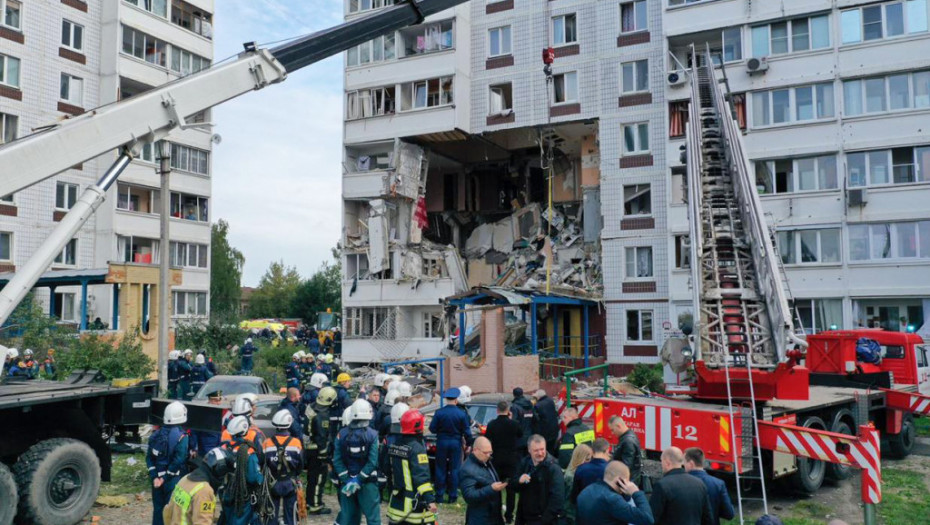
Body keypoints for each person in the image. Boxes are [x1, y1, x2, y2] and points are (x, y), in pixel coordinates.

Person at [386, 409, 438, 525]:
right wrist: (430, 499)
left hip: (396, 503)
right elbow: (421, 476)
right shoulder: (417, 448)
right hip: (413, 508)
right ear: (418, 426)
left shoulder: (394, 445)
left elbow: (386, 468)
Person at [333, 399, 381, 525]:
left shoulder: (341, 434)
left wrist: (347, 479)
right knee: (373, 518)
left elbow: (337, 460)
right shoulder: (373, 435)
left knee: (348, 518)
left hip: (346, 484)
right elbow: (372, 462)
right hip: (368, 483)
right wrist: (359, 479)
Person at [162, 447, 233, 525]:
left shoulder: (185, 479)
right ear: (220, 470)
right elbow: (203, 522)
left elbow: (168, 512)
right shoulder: (204, 491)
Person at [147, 401, 190, 525]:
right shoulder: (182, 437)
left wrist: (155, 476)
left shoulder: (155, 435)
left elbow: (149, 458)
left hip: (156, 480)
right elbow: (179, 460)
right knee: (172, 512)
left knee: (158, 510)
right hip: (172, 479)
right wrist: (165, 478)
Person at [428, 387, 473, 503]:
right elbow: (467, 431)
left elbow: (432, 429)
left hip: (442, 442)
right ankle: (452, 496)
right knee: (454, 469)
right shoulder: (461, 414)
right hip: (456, 442)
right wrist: (468, 443)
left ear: (446, 399)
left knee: (440, 469)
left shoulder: (439, 412)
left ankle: (439, 496)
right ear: (456, 399)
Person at [576, 461, 654, 525]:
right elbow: (647, 518)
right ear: (620, 480)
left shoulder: (586, 490)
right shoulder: (612, 499)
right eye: (627, 480)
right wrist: (636, 492)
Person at [649, 447, 713, 525]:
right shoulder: (699, 484)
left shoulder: (662, 485)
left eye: (661, 461)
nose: (661, 465)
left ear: (667, 463)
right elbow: (708, 518)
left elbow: (652, 518)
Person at [262, 410, 305, 525]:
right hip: (290, 483)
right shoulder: (296, 443)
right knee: (291, 516)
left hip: (272, 483)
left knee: (271, 514)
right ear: (289, 424)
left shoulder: (267, 443)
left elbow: (263, 463)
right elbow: (301, 464)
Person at [510, 434, 563, 525]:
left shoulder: (553, 468)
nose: (540, 453)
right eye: (536, 450)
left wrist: (544, 520)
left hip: (543, 519)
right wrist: (519, 481)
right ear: (529, 450)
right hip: (525, 517)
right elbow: (512, 485)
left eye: (542, 449)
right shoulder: (524, 463)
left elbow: (557, 498)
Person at [221, 416, 264, 525]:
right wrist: (262, 478)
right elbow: (252, 478)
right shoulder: (248, 450)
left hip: (226, 492)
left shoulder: (224, 447)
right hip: (242, 496)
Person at [484, 401, 522, 523]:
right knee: (510, 490)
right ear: (508, 410)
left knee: (496, 488)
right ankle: (509, 516)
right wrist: (511, 419)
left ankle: (497, 514)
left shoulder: (491, 425)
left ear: (497, 410)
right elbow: (520, 434)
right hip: (511, 460)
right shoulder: (514, 424)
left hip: (496, 460)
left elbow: (487, 439)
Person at [460, 436, 507, 525]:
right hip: (480, 518)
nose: (489, 455)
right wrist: (491, 488)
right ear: (476, 450)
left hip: (494, 515)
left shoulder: (486, 461)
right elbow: (469, 496)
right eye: (486, 453)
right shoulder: (467, 469)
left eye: (490, 452)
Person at [305, 386, 337, 515]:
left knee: (311, 477)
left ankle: (309, 501)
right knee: (318, 478)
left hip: (309, 447)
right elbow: (322, 437)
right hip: (317, 450)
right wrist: (324, 456)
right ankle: (315, 505)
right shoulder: (323, 415)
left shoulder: (312, 406)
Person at [685, 448, 735, 525]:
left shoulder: (679, 483)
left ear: (691, 464)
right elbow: (729, 514)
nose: (683, 465)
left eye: (685, 462)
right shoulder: (718, 484)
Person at [570, 437, 611, 504]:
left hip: (584, 507)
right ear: (607, 451)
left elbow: (575, 494)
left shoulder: (581, 469)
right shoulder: (611, 469)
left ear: (592, 451)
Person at [609, 415, 644, 486]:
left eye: (612, 430)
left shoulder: (628, 441)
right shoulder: (628, 437)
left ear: (619, 426)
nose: (612, 433)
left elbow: (626, 466)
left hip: (628, 482)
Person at [563, 444, 593, 525]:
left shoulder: (571, 472)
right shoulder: (571, 476)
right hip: (572, 514)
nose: (589, 462)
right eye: (588, 459)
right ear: (581, 459)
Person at [191, 390, 225, 457]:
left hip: (219, 447)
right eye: (216, 400)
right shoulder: (202, 413)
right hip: (205, 449)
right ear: (210, 400)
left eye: (219, 400)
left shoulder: (220, 412)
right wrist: (194, 449)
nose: (218, 403)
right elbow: (195, 432)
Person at [531, 389, 559, 457]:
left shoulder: (538, 405)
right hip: (554, 429)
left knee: (545, 449)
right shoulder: (550, 401)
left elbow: (535, 418)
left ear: (538, 397)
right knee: (551, 448)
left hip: (545, 431)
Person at [510, 388, 534, 456]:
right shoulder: (530, 405)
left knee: (519, 460)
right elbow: (535, 419)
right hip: (530, 436)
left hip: (519, 438)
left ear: (514, 395)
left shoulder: (514, 407)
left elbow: (514, 423)